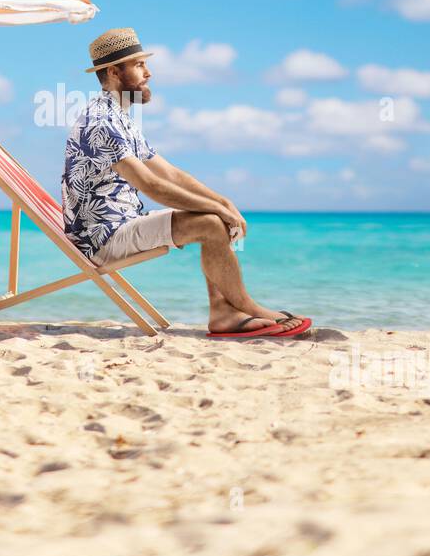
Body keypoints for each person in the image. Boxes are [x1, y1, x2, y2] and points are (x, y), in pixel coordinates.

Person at [61, 28, 311, 338]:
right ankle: (246, 307)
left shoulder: (119, 117)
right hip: (103, 238)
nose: (148, 73)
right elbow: (153, 187)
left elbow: (171, 173)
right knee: (210, 224)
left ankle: (224, 312)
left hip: (121, 224)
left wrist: (223, 203)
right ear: (114, 71)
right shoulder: (101, 121)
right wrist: (217, 211)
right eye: (139, 65)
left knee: (213, 218)